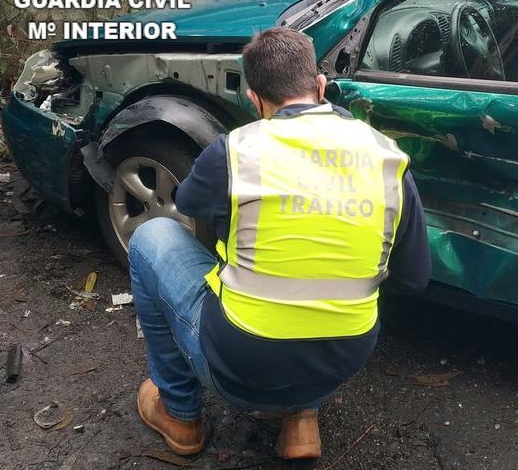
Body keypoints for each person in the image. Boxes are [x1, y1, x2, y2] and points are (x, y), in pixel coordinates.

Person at [127, 27, 431, 459]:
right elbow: (415, 277)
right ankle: (301, 420)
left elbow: (188, 202)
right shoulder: (387, 157)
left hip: (241, 366)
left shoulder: (235, 150)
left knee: (151, 237)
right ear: (321, 87)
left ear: (254, 99)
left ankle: (179, 414)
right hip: (339, 361)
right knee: (317, 270)